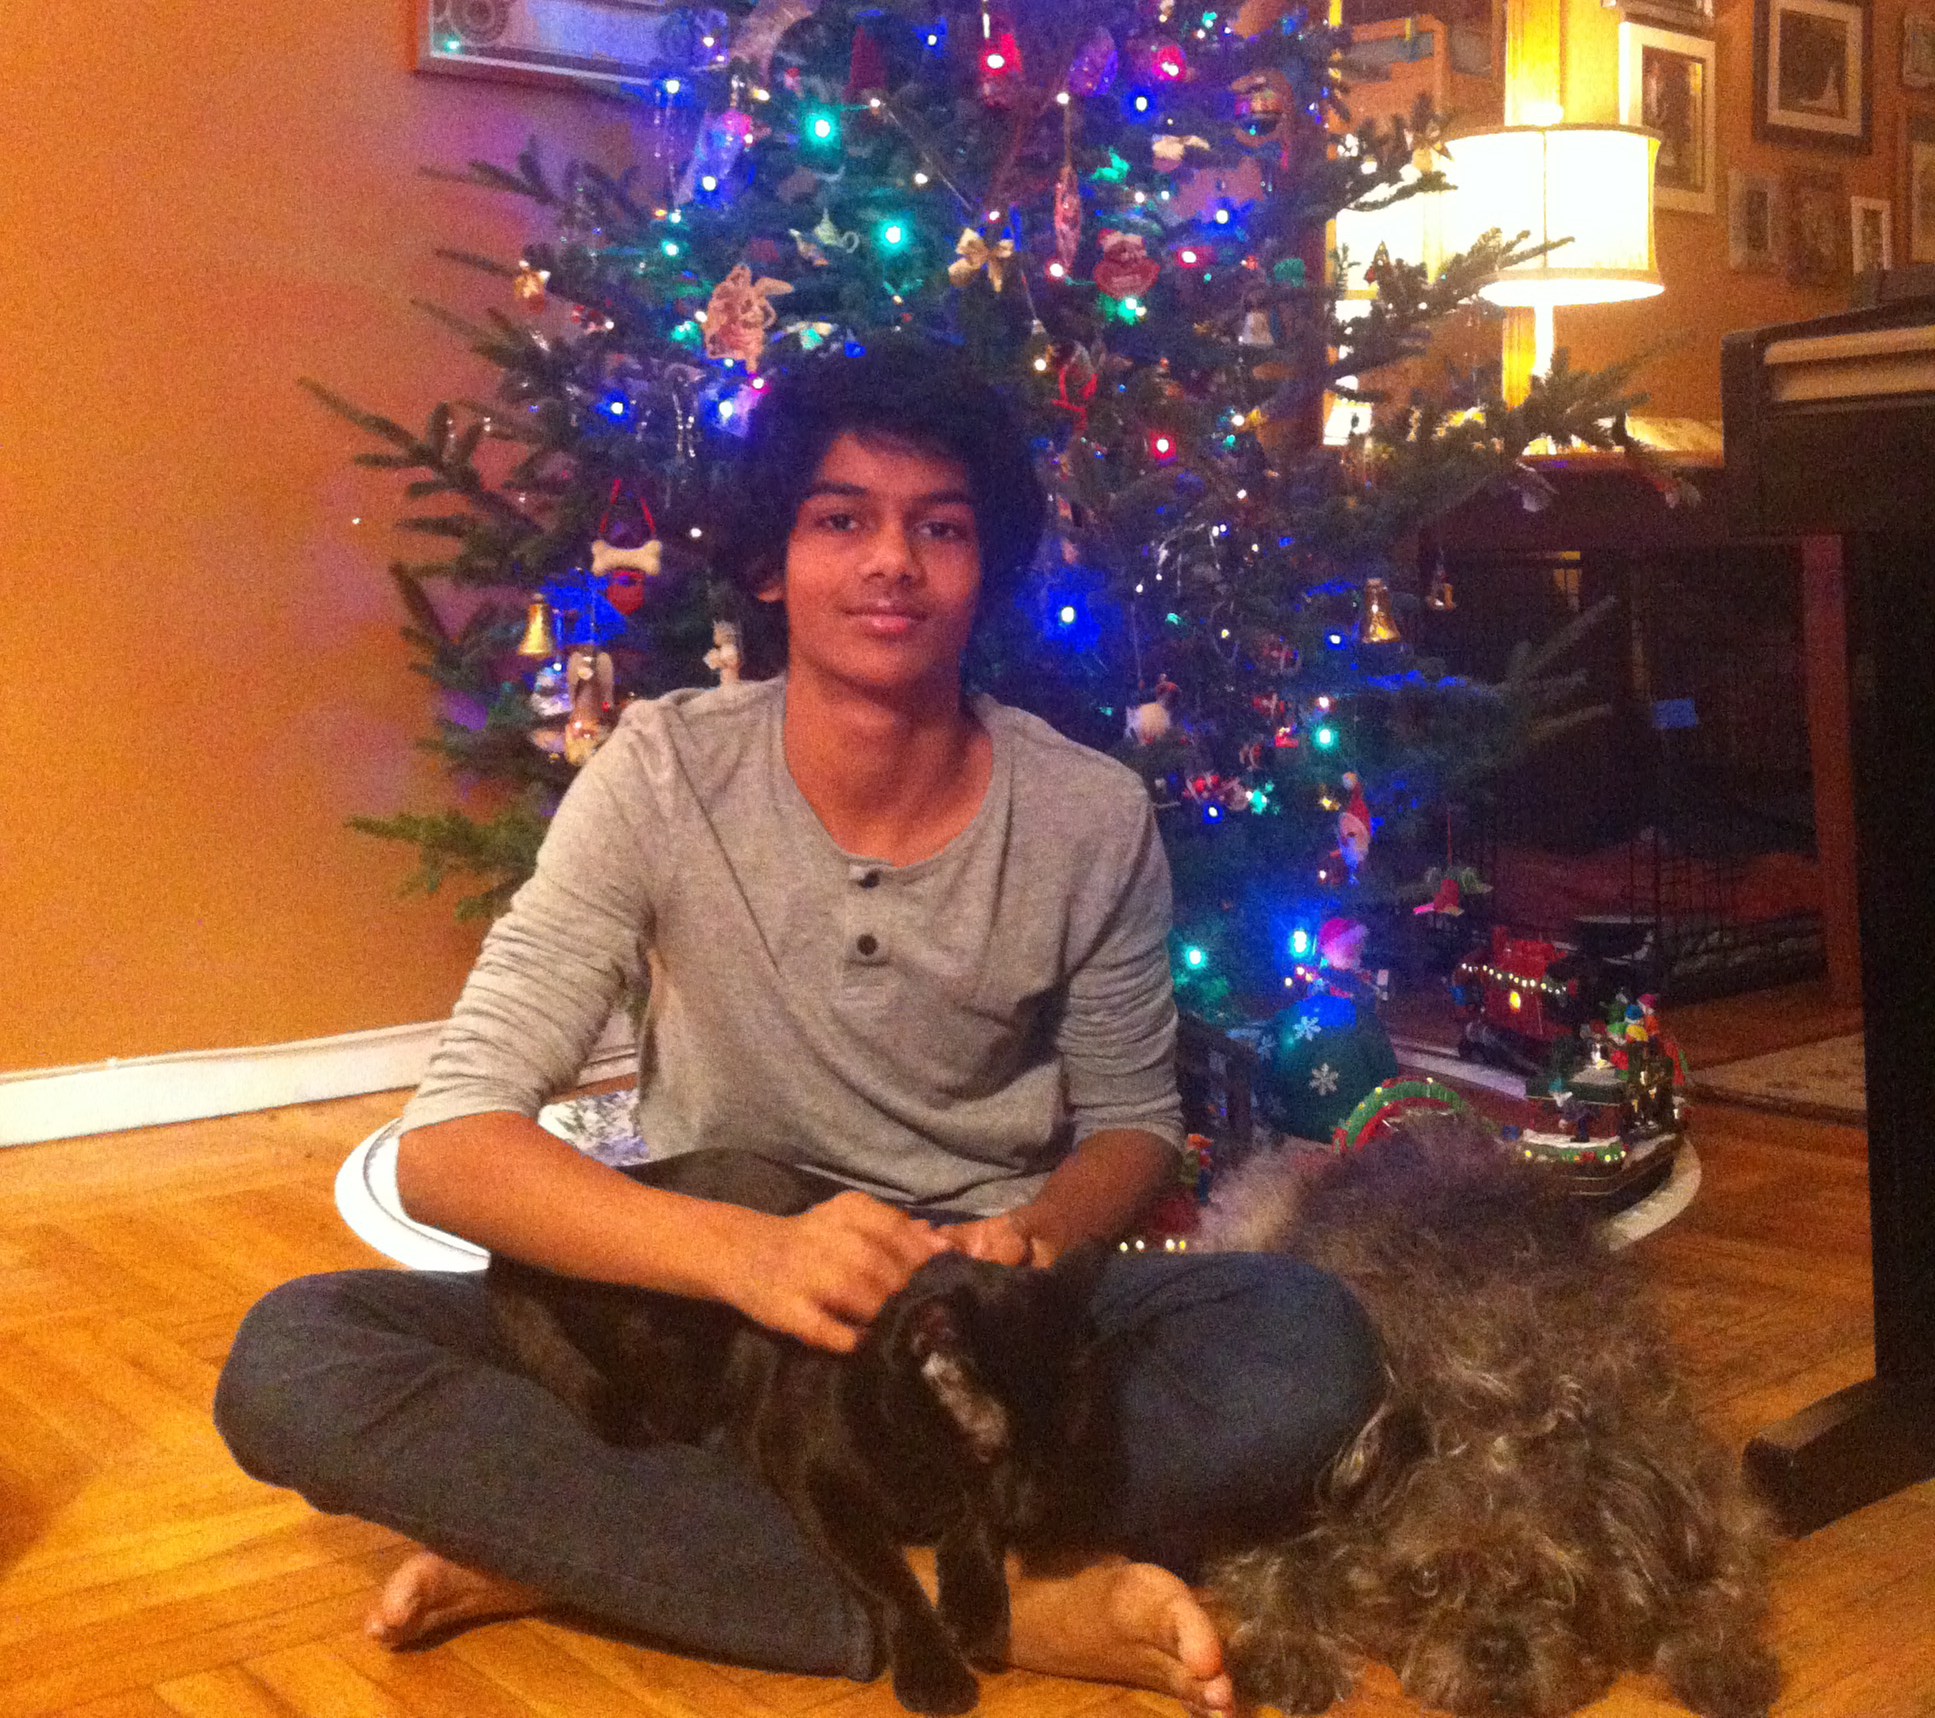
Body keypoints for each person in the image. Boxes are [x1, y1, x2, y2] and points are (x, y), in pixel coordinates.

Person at [214, 343, 1381, 1709]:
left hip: (968, 1335)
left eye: (940, 527)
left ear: (986, 569)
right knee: (296, 1356)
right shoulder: (660, 772)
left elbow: (1133, 1126)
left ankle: (602, 1546)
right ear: (772, 564)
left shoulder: (1089, 813)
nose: (891, 562)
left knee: (1307, 1343)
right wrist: (751, 1257)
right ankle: (979, 1599)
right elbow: (449, 1148)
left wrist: (1035, 1234)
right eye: (840, 520)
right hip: (703, 1327)